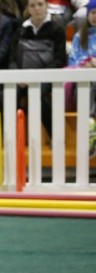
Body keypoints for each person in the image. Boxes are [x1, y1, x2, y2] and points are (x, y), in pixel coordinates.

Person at [10, 0, 66, 141]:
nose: (37, 8)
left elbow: (60, 60)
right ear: (28, 8)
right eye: (33, 5)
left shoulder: (57, 29)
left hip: (46, 77)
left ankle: (56, 137)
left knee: (37, 95)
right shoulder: (21, 29)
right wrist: (18, 75)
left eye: (40, 4)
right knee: (8, 95)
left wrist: (37, 77)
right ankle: (11, 139)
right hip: (21, 78)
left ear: (46, 6)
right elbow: (12, 58)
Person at [68, 0, 96, 157]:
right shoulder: (80, 37)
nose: (95, 17)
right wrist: (86, 63)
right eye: (93, 13)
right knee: (85, 87)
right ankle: (89, 125)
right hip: (85, 81)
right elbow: (72, 61)